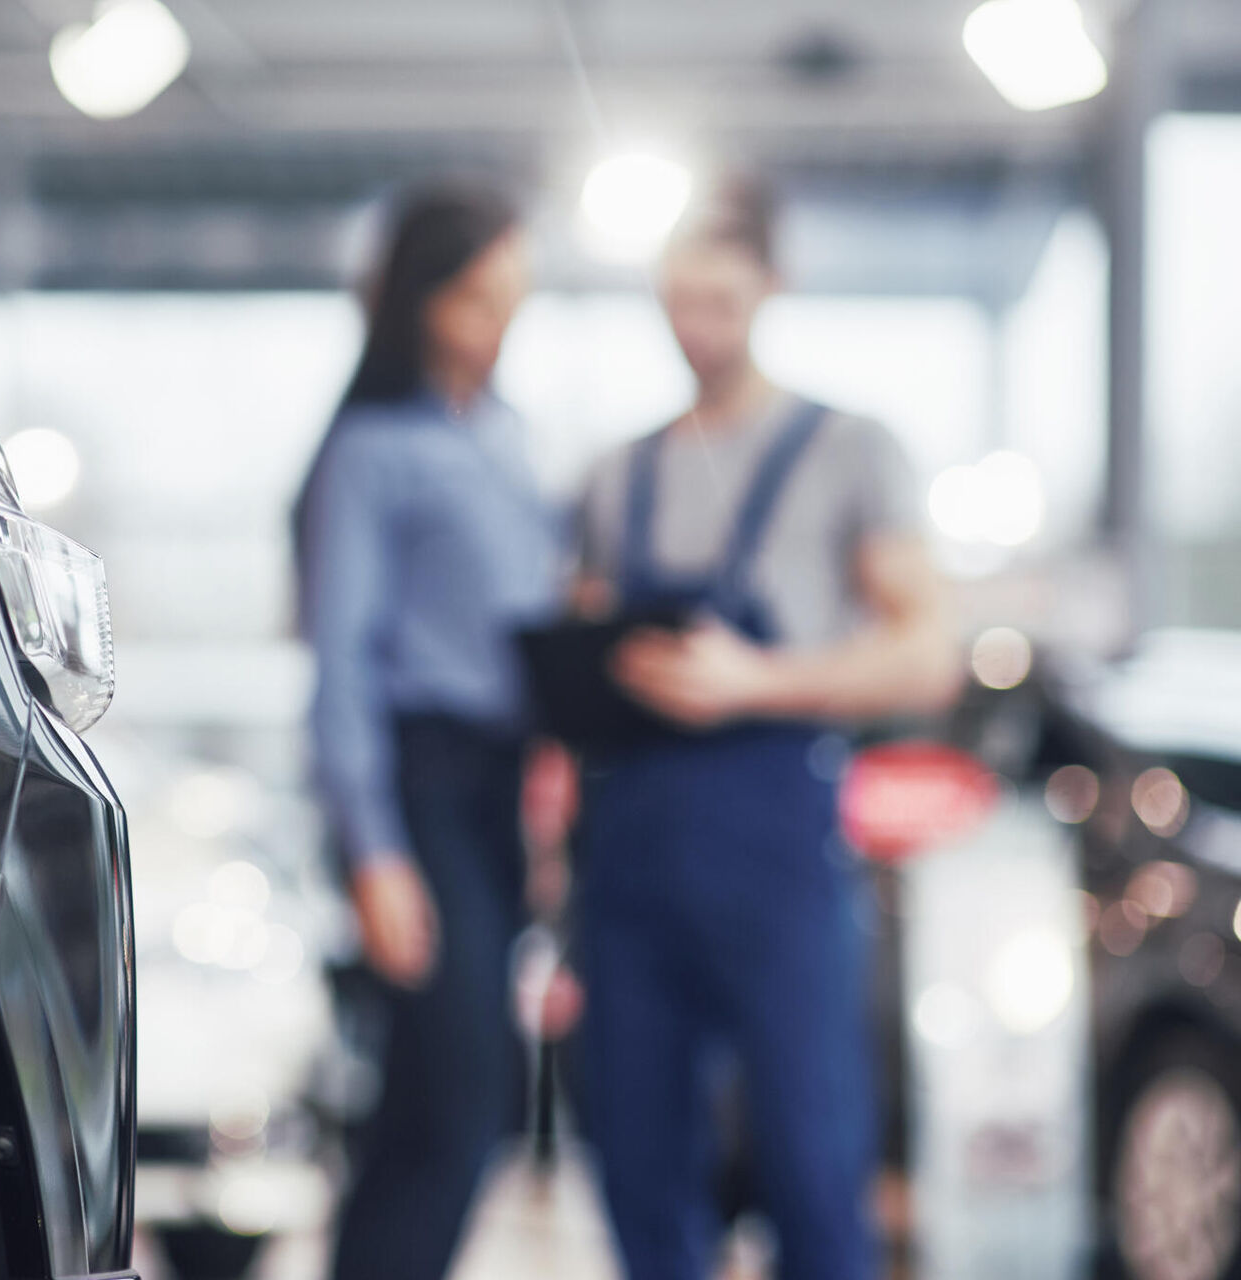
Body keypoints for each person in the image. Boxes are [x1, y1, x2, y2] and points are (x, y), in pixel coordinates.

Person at [567, 176, 961, 1280]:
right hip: (630, 849)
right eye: (677, 299)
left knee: (808, 1151)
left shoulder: (849, 450)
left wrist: (755, 681)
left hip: (775, 843)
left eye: (721, 299)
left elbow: (927, 649)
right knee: (638, 1159)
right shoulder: (615, 475)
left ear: (771, 286)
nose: (697, 324)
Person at [294, 186, 558, 1280]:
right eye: (479, 296)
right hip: (420, 781)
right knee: (464, 1097)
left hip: (500, 787)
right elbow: (341, 663)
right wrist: (376, 849)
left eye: (514, 299)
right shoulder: (368, 452)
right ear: (424, 299)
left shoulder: (508, 437)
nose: (499, 320)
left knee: (423, 1110)